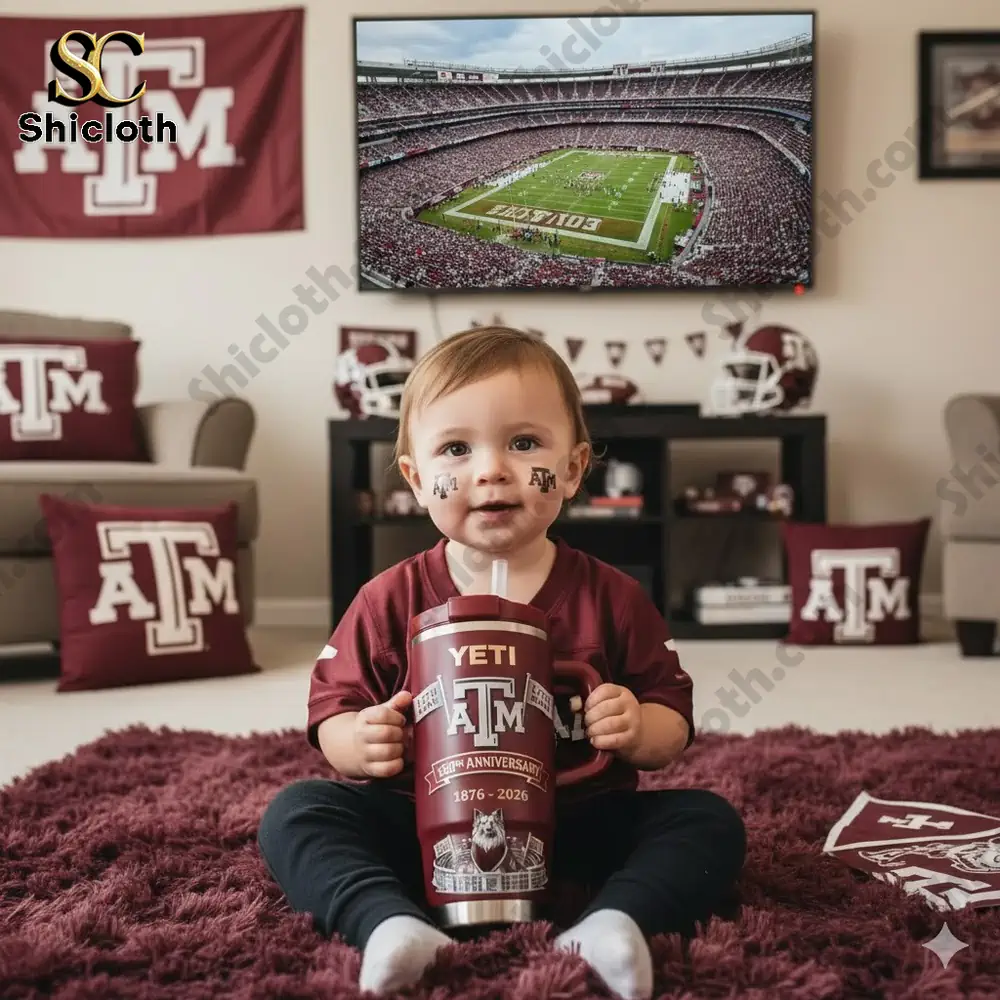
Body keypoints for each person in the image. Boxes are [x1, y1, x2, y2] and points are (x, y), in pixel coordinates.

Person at [257, 327, 746, 1000]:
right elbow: (332, 717)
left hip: (578, 819)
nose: (490, 469)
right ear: (416, 478)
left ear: (573, 469)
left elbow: (670, 721)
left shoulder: (613, 595)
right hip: (423, 831)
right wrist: (362, 741)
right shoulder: (386, 598)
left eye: (523, 443)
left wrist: (636, 726)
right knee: (297, 813)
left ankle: (614, 923)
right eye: (456, 449)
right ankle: (387, 924)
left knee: (706, 821)